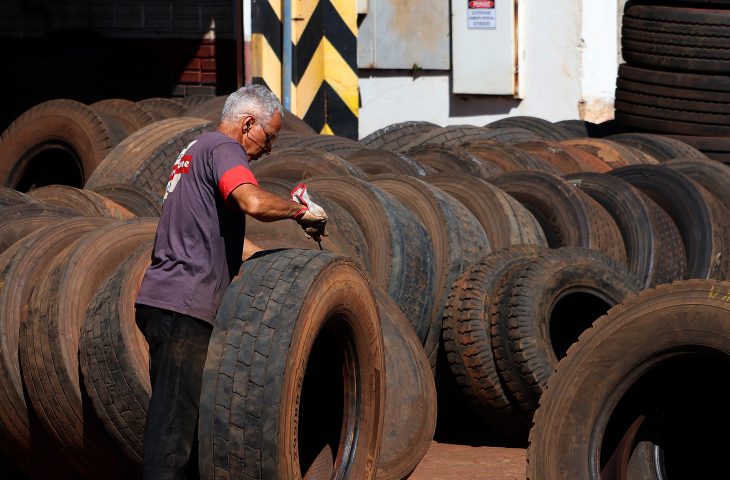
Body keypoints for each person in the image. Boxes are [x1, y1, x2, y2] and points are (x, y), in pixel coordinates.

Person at [134, 84, 327, 479]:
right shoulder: (225, 149)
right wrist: (299, 212)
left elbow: (212, 234)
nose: (268, 149)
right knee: (171, 438)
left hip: (164, 299)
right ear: (248, 123)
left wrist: (278, 267)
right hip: (184, 307)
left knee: (182, 427)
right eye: (268, 137)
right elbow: (252, 202)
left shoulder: (194, 151)